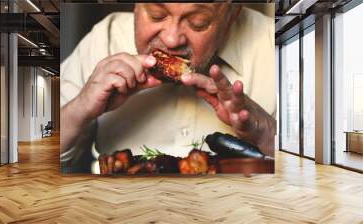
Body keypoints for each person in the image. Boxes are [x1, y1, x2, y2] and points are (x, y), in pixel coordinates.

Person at [60, 3, 276, 172]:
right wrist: (80, 109)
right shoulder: (104, 38)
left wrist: (266, 134)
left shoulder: (274, 41)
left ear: (231, 16)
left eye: (198, 23)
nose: (171, 40)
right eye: (156, 14)